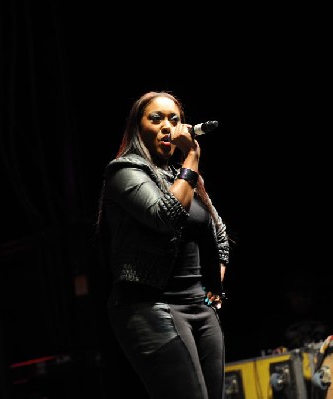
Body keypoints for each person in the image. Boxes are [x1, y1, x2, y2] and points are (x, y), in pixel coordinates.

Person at [96, 91, 230, 399]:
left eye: (175, 119)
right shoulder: (124, 171)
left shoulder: (184, 177)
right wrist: (192, 157)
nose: (167, 126)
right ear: (137, 127)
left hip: (199, 308)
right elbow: (166, 216)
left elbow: (219, 233)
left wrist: (214, 279)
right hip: (150, 307)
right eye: (156, 119)